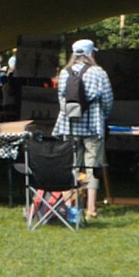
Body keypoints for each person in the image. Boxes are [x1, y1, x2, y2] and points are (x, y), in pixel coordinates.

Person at [52, 39, 113, 219]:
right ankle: (91, 208)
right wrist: (103, 115)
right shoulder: (98, 72)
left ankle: (69, 205)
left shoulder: (64, 73)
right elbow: (108, 99)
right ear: (90, 53)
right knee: (91, 166)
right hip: (92, 124)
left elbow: (61, 99)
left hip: (69, 124)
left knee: (72, 165)